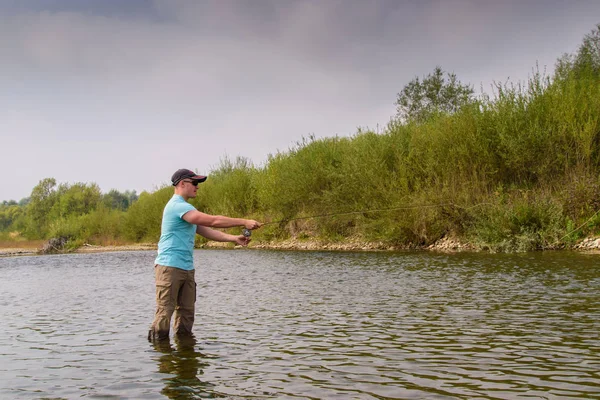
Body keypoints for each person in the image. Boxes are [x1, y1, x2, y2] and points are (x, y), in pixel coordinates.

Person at [148, 168, 261, 341]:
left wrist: (233, 239)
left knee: (186, 314)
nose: (197, 187)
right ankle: (161, 359)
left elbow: (206, 230)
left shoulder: (187, 210)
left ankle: (186, 360)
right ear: (182, 184)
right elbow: (213, 220)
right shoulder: (177, 206)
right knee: (164, 313)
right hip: (169, 268)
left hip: (187, 268)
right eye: (194, 183)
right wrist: (243, 221)